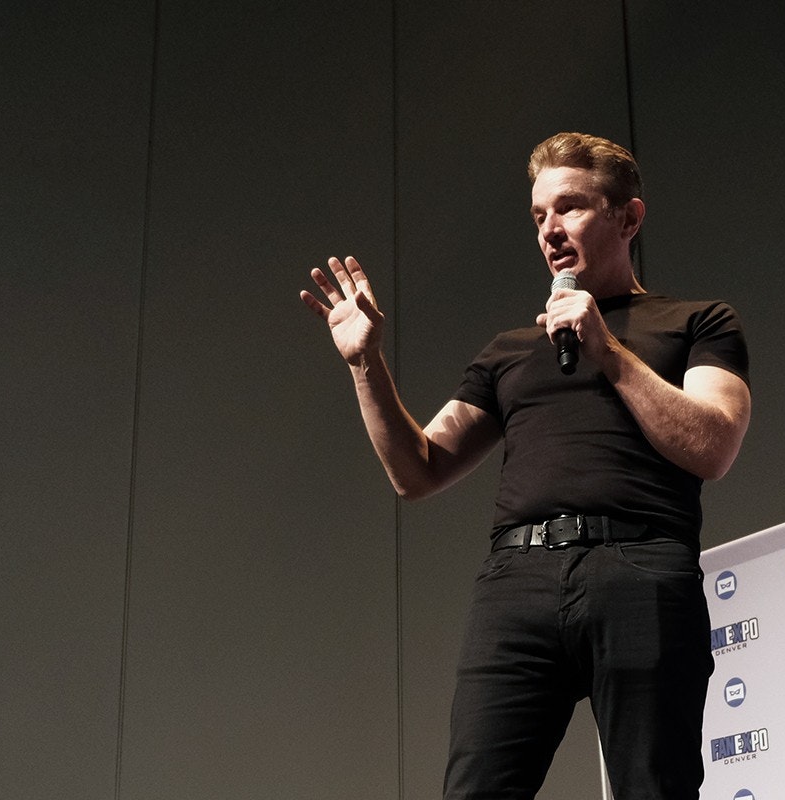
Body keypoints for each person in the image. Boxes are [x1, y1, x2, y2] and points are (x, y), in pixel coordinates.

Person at [300, 132, 751, 800]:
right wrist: (366, 364)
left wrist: (607, 350)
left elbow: (713, 445)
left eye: (570, 207)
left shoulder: (698, 321)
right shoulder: (509, 351)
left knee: (654, 788)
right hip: (518, 583)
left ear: (628, 217)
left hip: (642, 570)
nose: (549, 230)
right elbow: (417, 471)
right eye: (539, 215)